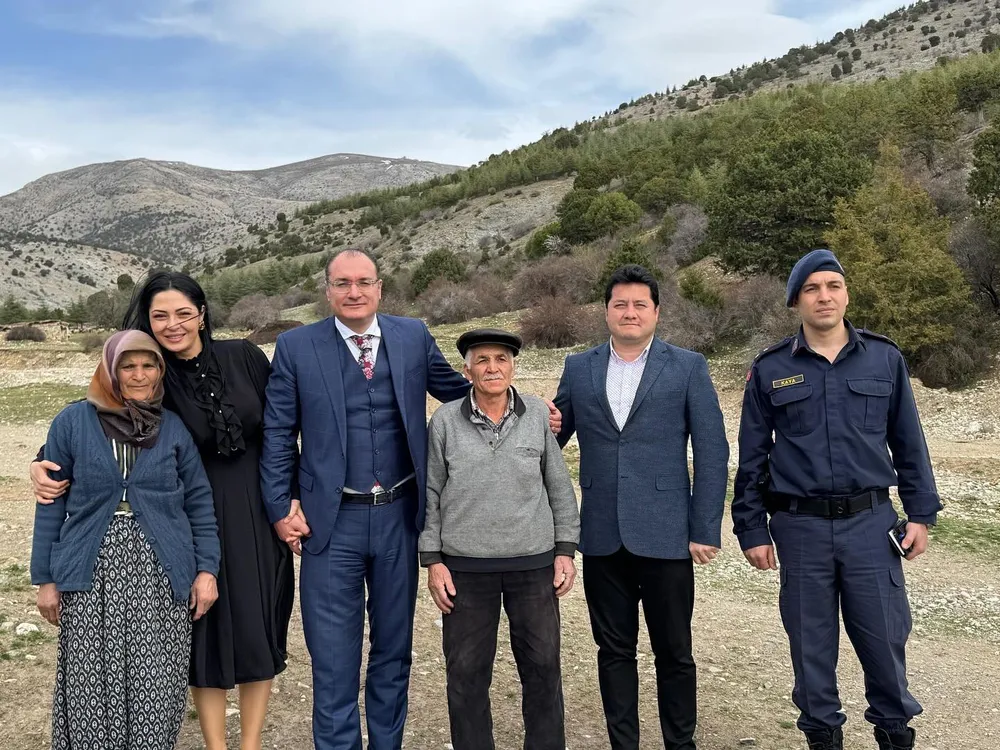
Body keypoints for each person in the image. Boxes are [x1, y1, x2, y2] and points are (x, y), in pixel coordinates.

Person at [259, 249, 561, 750]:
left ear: (380, 288)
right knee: (333, 659)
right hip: (329, 523)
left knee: (393, 651)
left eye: (364, 282)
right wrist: (279, 505)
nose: (354, 292)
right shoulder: (295, 346)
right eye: (342, 283)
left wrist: (525, 407)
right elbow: (277, 431)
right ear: (327, 291)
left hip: (400, 518)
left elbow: (458, 390)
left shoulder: (412, 335)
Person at [31, 272, 296, 750]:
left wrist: (290, 496)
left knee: (257, 623)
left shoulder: (246, 357)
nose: (173, 324)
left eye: (183, 313)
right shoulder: (156, 373)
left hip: (254, 506)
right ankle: (215, 744)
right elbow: (95, 415)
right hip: (182, 516)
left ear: (202, 314)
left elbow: (283, 428)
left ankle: (251, 743)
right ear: (147, 323)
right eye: (160, 316)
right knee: (205, 630)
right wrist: (41, 462)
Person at [732, 249, 941, 750]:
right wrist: (751, 528)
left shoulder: (884, 358)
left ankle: (894, 734)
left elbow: (909, 442)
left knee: (884, 641)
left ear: (846, 295)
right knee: (811, 650)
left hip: (871, 526)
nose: (823, 296)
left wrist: (921, 514)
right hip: (800, 528)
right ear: (796, 301)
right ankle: (822, 737)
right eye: (811, 289)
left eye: (833, 286)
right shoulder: (771, 368)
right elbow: (752, 454)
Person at [553, 264, 729, 750]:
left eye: (639, 304)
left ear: (656, 311)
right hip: (601, 535)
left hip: (667, 533)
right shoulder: (578, 368)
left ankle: (680, 743)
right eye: (620, 304)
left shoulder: (688, 366)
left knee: (674, 652)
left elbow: (712, 449)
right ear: (606, 311)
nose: (629, 312)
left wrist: (705, 527)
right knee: (613, 651)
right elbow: (553, 439)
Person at [31, 330, 220, 750]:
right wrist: (45, 579)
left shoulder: (172, 427)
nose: (139, 375)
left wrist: (207, 570)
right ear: (110, 371)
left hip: (161, 569)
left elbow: (199, 502)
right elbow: (50, 503)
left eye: (148, 365)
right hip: (89, 568)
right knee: (90, 679)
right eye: (127, 366)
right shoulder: (72, 422)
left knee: (157, 677)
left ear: (159, 371)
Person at [419, 328, 580, 750]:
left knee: (543, 669)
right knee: (466, 674)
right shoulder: (444, 421)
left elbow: (558, 485)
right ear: (466, 370)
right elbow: (431, 492)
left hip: (534, 564)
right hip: (465, 569)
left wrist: (565, 550)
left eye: (501, 359)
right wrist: (433, 560)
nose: (493, 368)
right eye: (483, 360)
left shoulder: (537, 417)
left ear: (513, 367)